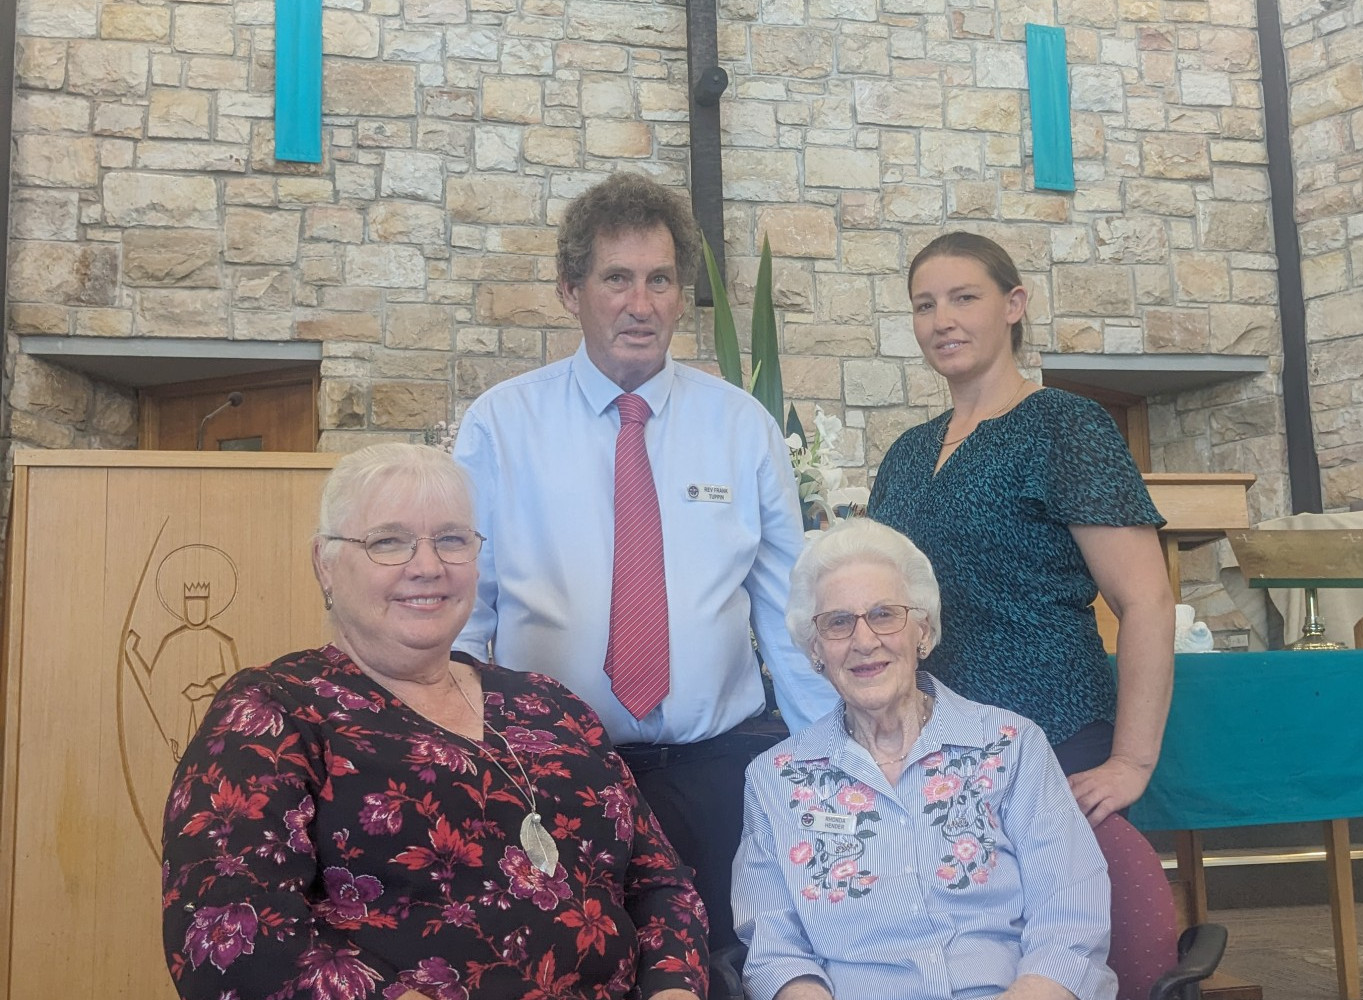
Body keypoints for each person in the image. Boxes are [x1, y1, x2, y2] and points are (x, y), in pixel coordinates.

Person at [161, 444, 708, 1000]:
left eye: (451, 539)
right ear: (325, 563)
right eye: (388, 542)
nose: (427, 566)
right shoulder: (273, 712)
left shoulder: (552, 706)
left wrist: (673, 989)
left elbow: (660, 882)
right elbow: (223, 935)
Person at [453, 172, 838, 949]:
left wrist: (830, 765)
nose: (641, 304)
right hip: (555, 777)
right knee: (572, 971)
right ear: (571, 291)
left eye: (660, 279)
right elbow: (467, 611)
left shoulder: (741, 426)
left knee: (725, 966)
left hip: (717, 769)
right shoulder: (502, 425)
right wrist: (461, 763)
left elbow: (791, 615)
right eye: (617, 279)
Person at [868, 231, 1177, 997]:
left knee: (1053, 952)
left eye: (964, 297)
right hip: (937, 746)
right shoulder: (906, 455)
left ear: (1013, 304)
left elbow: (1146, 599)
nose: (943, 319)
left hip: (1052, 735)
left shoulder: (1065, 427)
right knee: (966, 952)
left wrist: (1131, 761)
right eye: (925, 304)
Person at [732, 519, 1115, 1000]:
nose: (864, 640)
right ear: (815, 651)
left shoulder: (1012, 746)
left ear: (923, 631)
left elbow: (1070, 916)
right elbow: (775, 951)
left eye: (884, 614)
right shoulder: (774, 780)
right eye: (838, 622)